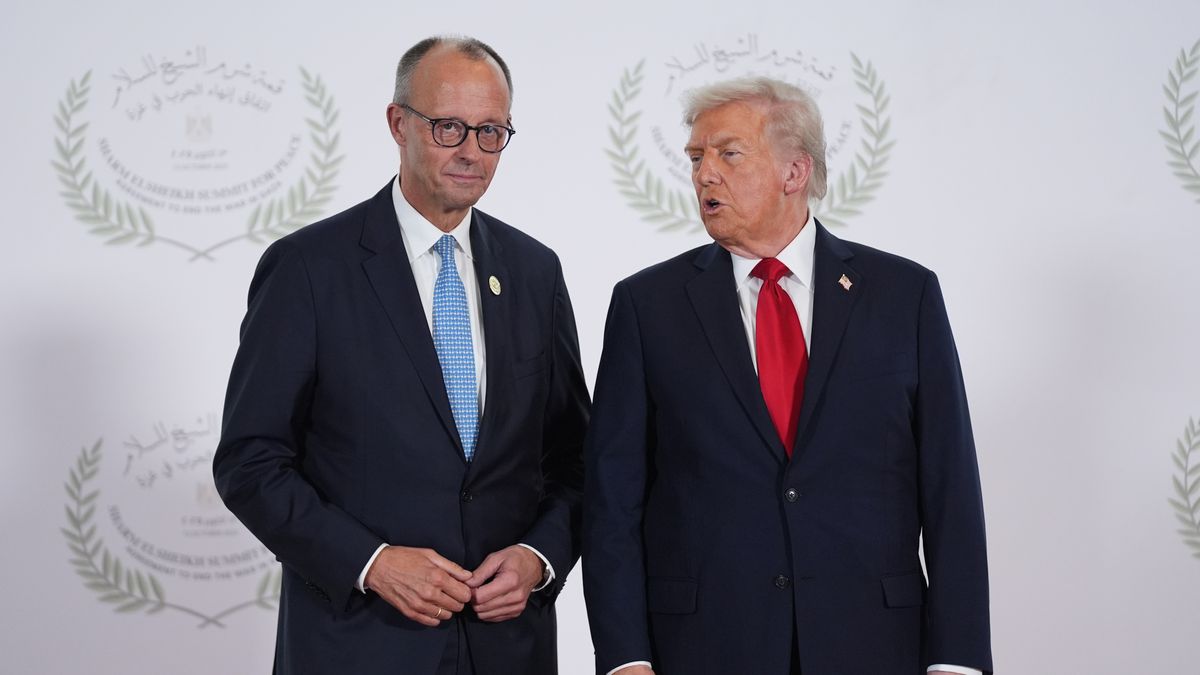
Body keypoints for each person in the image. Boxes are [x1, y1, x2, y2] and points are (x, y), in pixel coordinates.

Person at [582, 76, 991, 675]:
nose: (703, 174)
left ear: (794, 171)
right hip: (706, 648)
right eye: (696, 157)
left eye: (728, 153)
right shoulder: (648, 306)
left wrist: (957, 661)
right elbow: (612, 502)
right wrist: (625, 659)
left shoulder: (905, 295)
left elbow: (950, 487)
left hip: (874, 645)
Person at [213, 36, 589, 675]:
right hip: (358, 644)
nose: (471, 150)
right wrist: (370, 562)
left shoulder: (534, 271)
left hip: (507, 649)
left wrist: (538, 557)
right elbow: (250, 462)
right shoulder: (309, 269)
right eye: (449, 127)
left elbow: (576, 458)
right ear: (398, 123)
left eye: (491, 131)